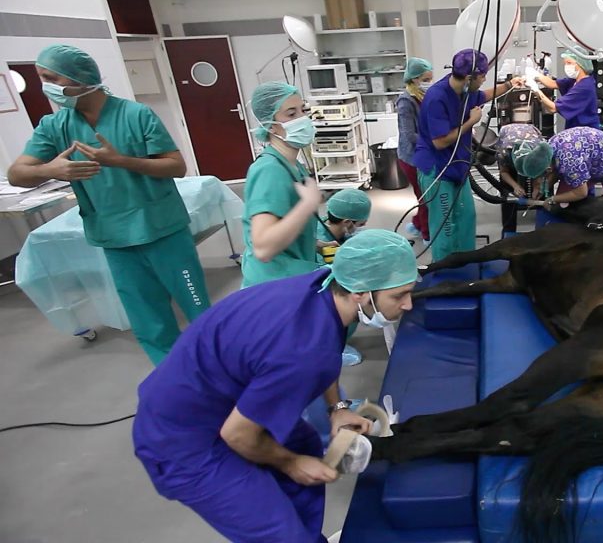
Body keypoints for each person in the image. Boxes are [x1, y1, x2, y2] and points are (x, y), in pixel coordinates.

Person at [133, 229, 419, 543]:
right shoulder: (303, 352)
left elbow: (324, 348)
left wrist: (336, 408)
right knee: (281, 531)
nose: (408, 305)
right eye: (398, 295)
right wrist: (291, 463)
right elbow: (237, 434)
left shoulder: (322, 287)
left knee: (305, 445)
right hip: (182, 440)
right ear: (360, 293)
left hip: (219, 399)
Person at [7, 44, 209, 365]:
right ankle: (175, 382)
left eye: (51, 77)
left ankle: (222, 370)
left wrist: (122, 161)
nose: (44, 85)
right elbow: (17, 174)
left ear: (78, 78)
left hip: (163, 229)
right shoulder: (54, 126)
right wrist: (50, 170)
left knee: (198, 308)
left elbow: (175, 166)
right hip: (115, 238)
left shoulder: (136, 115)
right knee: (148, 320)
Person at [412, 49, 523, 261]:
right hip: (438, 169)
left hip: (457, 165)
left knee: (466, 218)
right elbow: (440, 141)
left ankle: (464, 265)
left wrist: (510, 85)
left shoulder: (464, 90)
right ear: (470, 77)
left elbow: (484, 95)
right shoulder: (437, 97)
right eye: (482, 77)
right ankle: (444, 270)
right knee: (445, 226)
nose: (483, 80)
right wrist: (471, 122)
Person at [241, 81, 321, 289]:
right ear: (269, 124)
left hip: (293, 271)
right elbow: (263, 248)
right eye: (291, 114)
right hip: (272, 285)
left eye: (303, 110)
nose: (302, 119)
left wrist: (319, 246)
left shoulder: (292, 165)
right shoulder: (270, 170)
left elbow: (289, 227)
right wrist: (307, 205)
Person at [514, 126, 603, 234]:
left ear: (547, 169)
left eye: (539, 177)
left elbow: (581, 192)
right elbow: (554, 173)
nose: (539, 180)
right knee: (563, 205)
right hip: (590, 163)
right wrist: (541, 188)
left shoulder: (569, 161)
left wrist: (552, 198)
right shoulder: (547, 149)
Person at [316, 188, 372, 367]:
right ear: (347, 222)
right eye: (360, 224)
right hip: (318, 292)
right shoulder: (319, 240)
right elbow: (321, 277)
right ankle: (332, 345)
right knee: (348, 299)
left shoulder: (333, 228)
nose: (361, 228)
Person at [397, 57, 433, 242]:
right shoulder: (406, 101)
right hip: (411, 158)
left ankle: (417, 225)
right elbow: (409, 134)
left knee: (423, 194)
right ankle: (427, 234)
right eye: (425, 80)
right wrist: (436, 140)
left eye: (430, 79)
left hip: (424, 152)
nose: (429, 84)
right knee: (426, 197)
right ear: (413, 79)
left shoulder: (423, 96)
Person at [495, 123, 546, 234]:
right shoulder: (504, 152)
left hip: (530, 136)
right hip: (508, 136)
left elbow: (541, 170)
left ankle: (544, 228)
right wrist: (515, 186)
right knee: (508, 193)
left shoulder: (539, 150)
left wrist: (537, 186)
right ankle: (509, 230)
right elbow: (504, 172)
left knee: (544, 191)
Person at [529, 51, 601, 129]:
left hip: (586, 133)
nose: (567, 66)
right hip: (574, 128)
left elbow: (553, 108)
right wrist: (533, 75)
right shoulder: (575, 81)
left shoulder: (584, 87)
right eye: (565, 63)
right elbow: (552, 83)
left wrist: (536, 89)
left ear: (580, 65)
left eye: (569, 63)